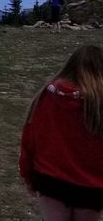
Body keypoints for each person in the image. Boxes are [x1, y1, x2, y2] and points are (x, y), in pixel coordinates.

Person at [20, 45, 103, 220]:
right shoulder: (98, 105)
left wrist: (28, 175)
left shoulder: (47, 95)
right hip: (91, 187)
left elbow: (30, 140)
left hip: (50, 181)